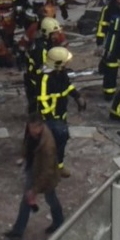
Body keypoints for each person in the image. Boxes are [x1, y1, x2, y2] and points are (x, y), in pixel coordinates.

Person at [4, 112, 63, 240]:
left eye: (33, 128)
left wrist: (35, 190)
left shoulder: (48, 146)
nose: (30, 130)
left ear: (40, 126)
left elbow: (47, 172)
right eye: (29, 127)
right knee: (30, 200)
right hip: (34, 168)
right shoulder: (33, 132)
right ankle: (18, 230)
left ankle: (59, 222)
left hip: (44, 174)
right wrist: (23, 156)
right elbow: (27, 143)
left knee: (50, 198)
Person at [36, 47, 86, 177]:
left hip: (61, 115)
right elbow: (42, 101)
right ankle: (45, 170)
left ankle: (59, 166)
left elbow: (67, 86)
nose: (67, 64)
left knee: (61, 143)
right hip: (49, 119)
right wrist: (51, 119)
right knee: (48, 145)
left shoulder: (61, 73)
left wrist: (77, 97)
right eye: (64, 62)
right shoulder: (45, 78)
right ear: (57, 63)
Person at [23, 17, 67, 112]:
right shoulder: (42, 49)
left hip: (33, 78)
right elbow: (44, 70)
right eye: (54, 33)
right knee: (41, 106)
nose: (56, 36)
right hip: (36, 81)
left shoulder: (43, 43)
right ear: (47, 33)